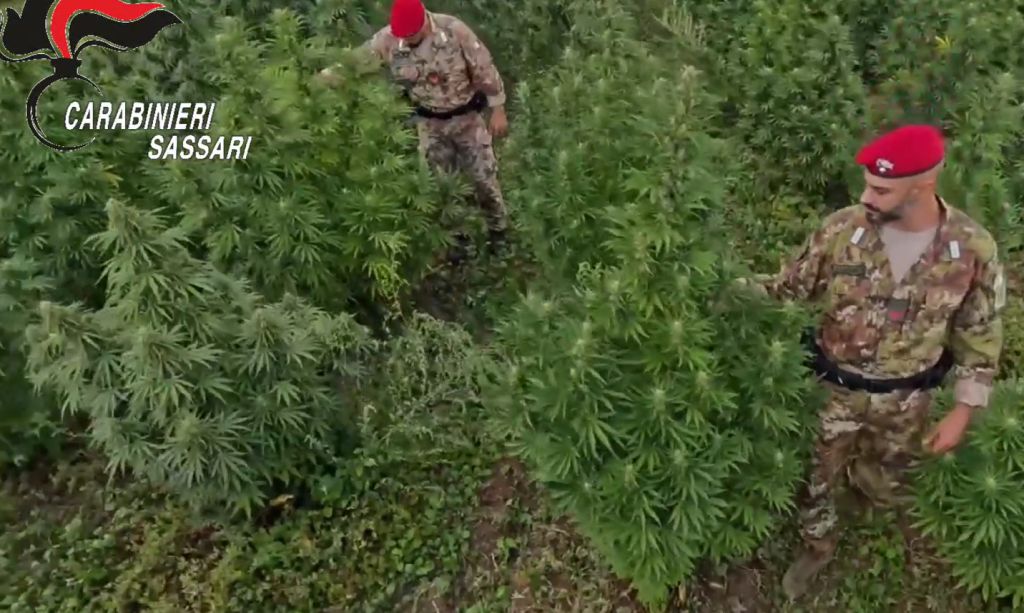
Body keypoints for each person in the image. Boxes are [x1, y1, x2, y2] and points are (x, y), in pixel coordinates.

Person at [748, 124, 1006, 599]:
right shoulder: (843, 230)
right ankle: (818, 543)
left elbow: (980, 332)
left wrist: (963, 409)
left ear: (922, 186)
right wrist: (725, 290)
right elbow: (788, 288)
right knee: (816, 474)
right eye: (867, 184)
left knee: (887, 474)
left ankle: (866, 513)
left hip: (906, 401)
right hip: (833, 391)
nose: (866, 196)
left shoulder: (971, 249)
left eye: (881, 190)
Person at [322, 0, 510, 258]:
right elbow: (355, 62)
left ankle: (499, 234)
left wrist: (498, 108)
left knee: (484, 179)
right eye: (402, 35)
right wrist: (320, 80)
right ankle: (458, 242)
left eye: (411, 35)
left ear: (424, 23)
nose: (406, 40)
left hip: (467, 119)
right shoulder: (389, 39)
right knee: (441, 187)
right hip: (431, 124)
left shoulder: (453, 30)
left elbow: (484, 68)